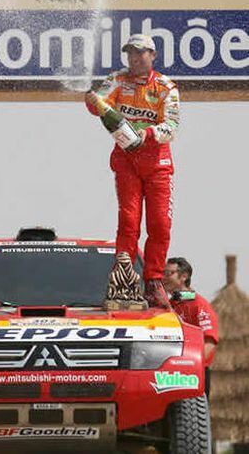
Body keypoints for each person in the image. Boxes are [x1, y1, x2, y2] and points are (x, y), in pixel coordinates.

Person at [85, 34, 180, 308]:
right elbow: (99, 104)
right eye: (131, 54)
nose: (135, 59)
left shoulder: (166, 87)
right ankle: (123, 277)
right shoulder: (117, 80)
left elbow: (172, 127)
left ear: (153, 55)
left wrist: (146, 134)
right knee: (129, 221)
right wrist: (92, 101)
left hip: (157, 162)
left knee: (160, 224)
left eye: (141, 53)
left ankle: (153, 280)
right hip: (126, 161)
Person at [164, 257, 218, 397]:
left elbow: (209, 342)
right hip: (169, 375)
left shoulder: (199, 304)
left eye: (168, 273)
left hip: (193, 375)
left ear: (184, 276)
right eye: (163, 273)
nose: (164, 277)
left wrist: (191, 368)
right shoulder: (169, 306)